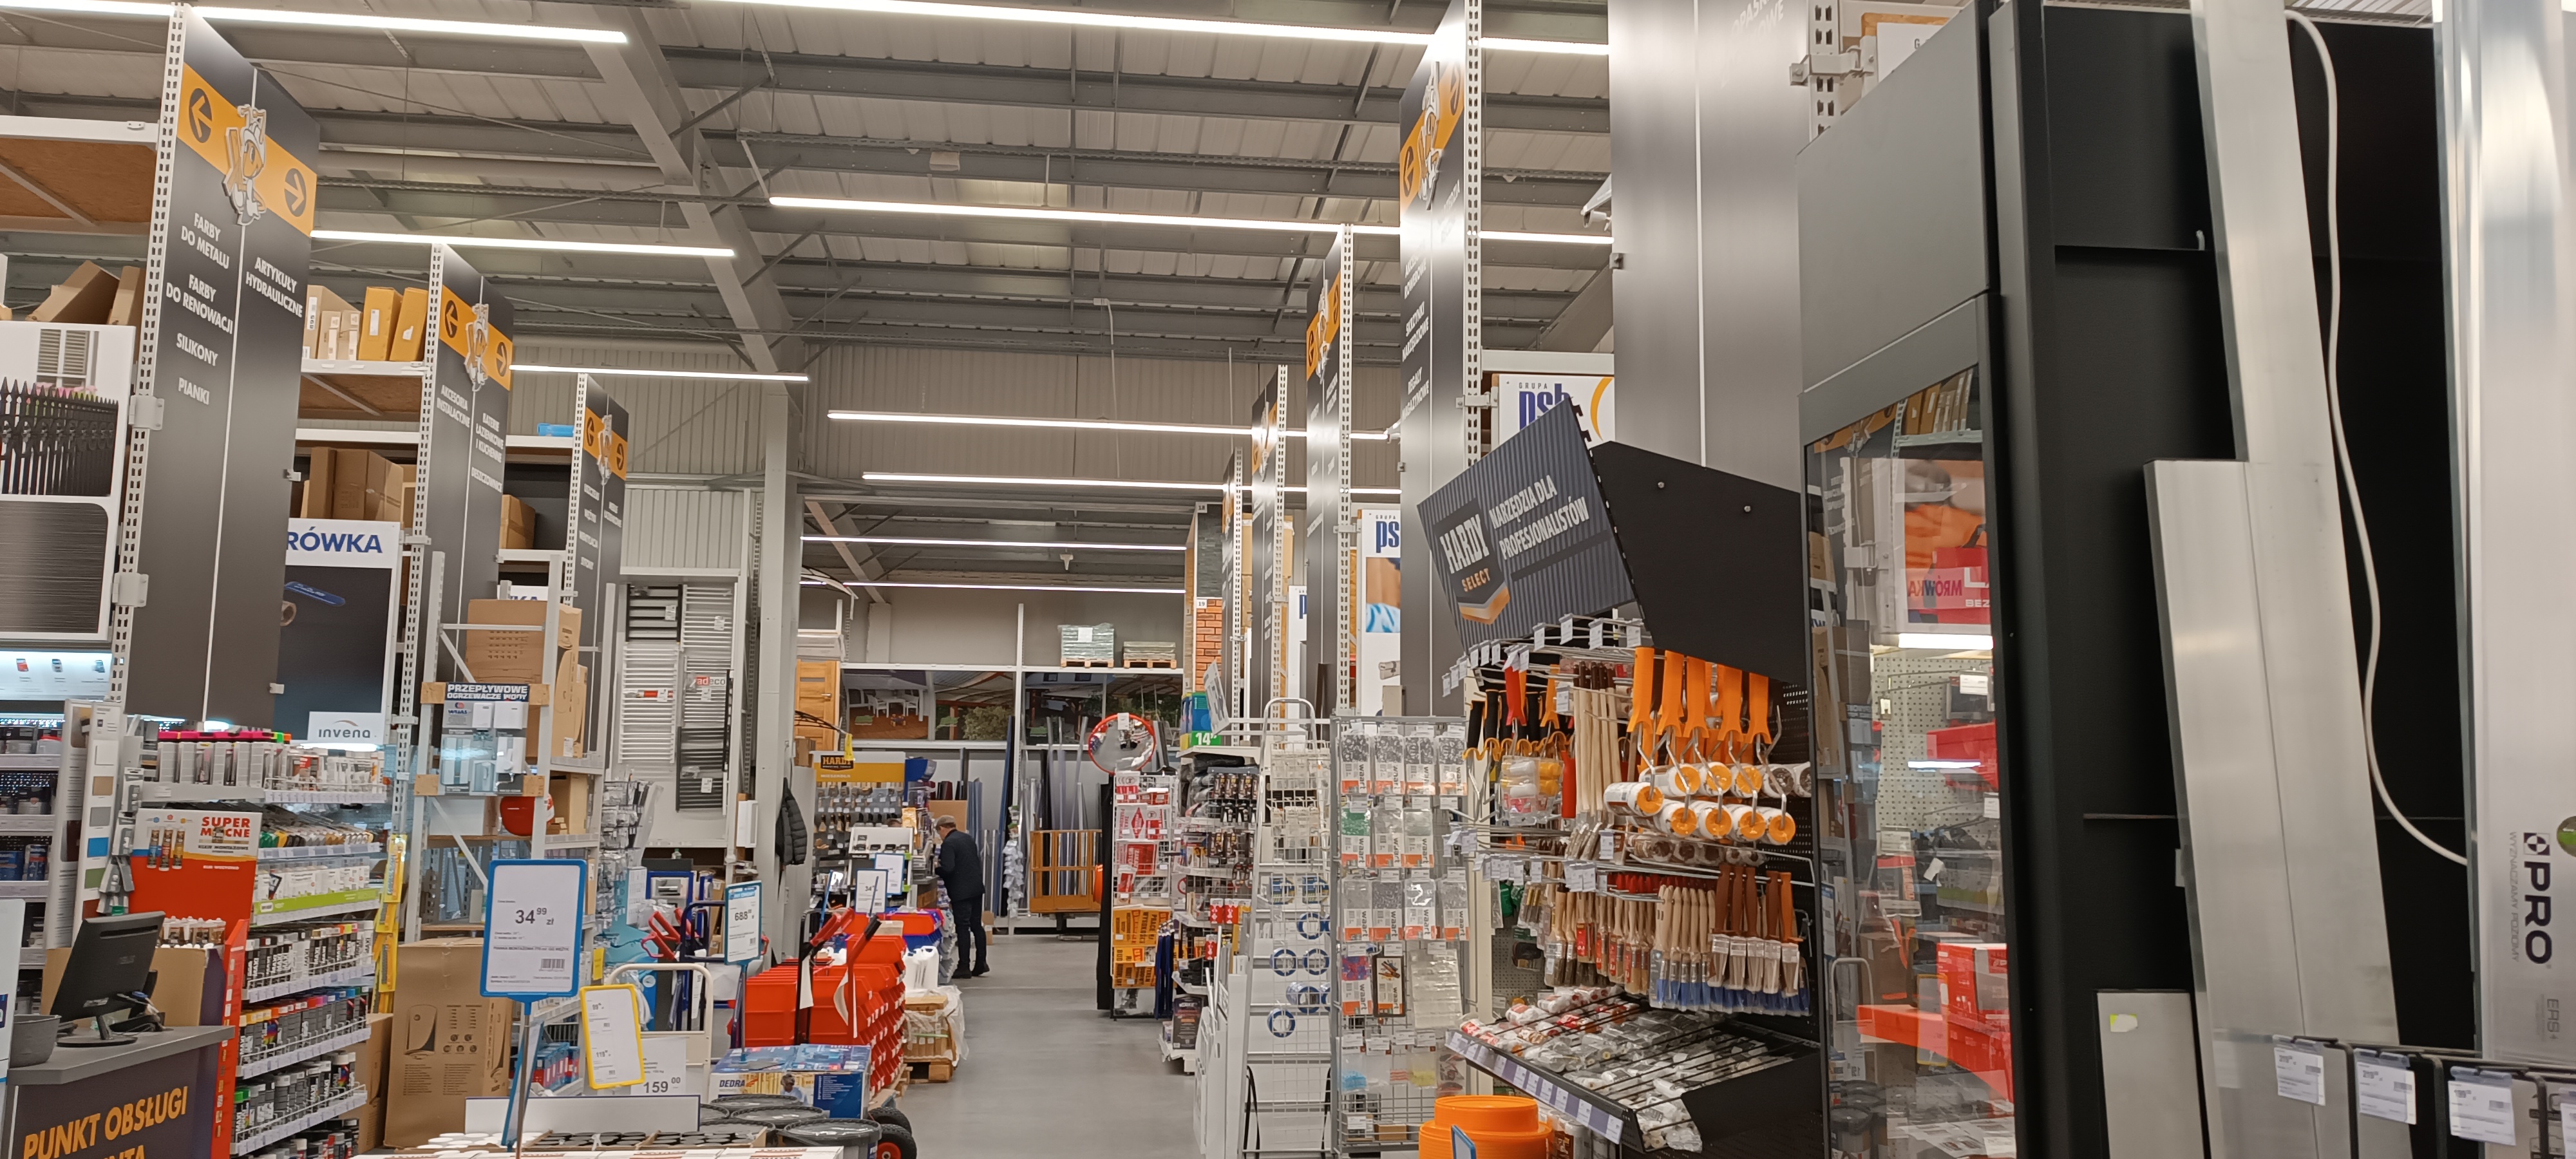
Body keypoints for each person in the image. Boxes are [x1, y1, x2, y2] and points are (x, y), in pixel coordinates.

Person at [934, 816, 988, 977]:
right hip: (976, 888)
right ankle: (981, 962)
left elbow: (949, 869)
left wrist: (936, 869)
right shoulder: (968, 838)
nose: (940, 836)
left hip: (961, 891)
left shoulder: (949, 843)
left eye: (939, 832)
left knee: (963, 927)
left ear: (942, 828)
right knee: (977, 926)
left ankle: (964, 966)